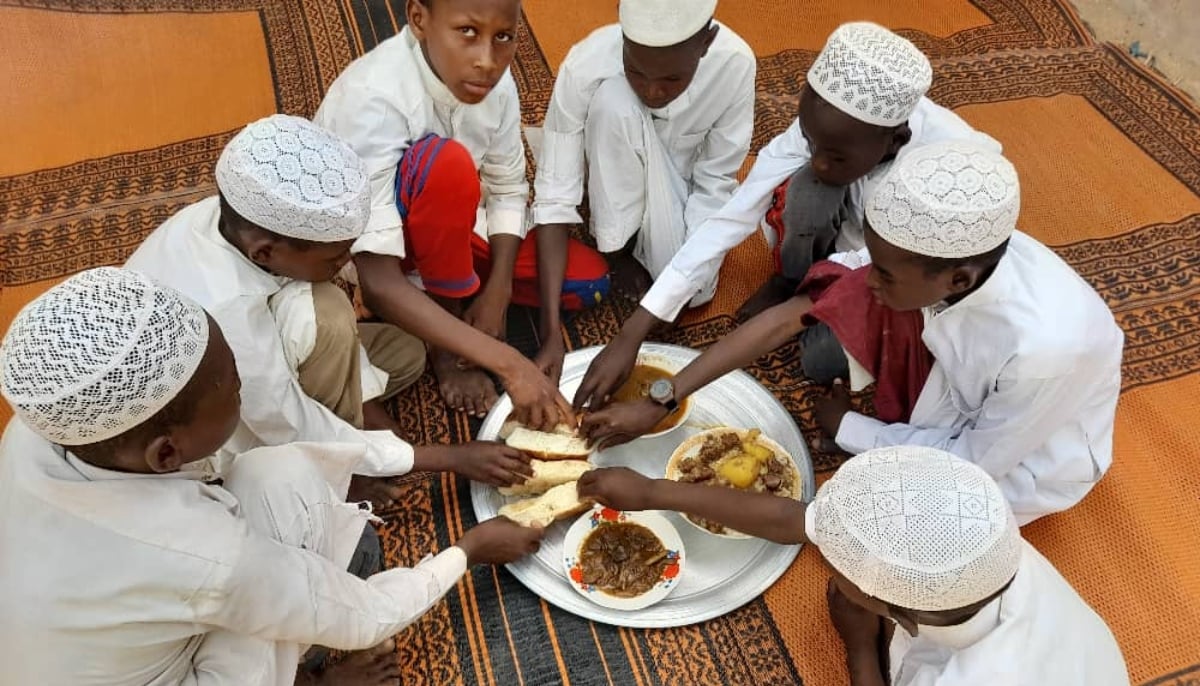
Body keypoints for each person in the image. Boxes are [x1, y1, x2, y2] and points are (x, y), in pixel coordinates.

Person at [0, 267, 545, 685]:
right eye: (234, 387)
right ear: (167, 455)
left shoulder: (39, 431)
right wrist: (469, 549)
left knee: (276, 473)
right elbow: (365, 617)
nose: (243, 386)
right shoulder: (205, 555)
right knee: (271, 613)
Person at [582, 142, 1123, 523]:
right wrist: (665, 395)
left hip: (1017, 464)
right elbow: (794, 314)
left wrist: (850, 431)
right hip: (946, 383)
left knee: (877, 530)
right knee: (830, 327)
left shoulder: (1047, 347)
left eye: (883, 275)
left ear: (957, 279)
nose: (871, 281)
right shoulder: (937, 255)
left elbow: (970, 467)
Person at [574, 21, 1000, 410]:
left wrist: (814, 308)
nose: (817, 159)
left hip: (900, 278)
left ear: (895, 142)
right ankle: (791, 279)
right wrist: (634, 330)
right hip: (851, 245)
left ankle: (807, 298)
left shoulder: (950, 170)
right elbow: (732, 218)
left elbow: (919, 276)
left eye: (834, 156)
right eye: (810, 142)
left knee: (817, 360)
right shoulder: (825, 133)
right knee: (809, 192)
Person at [127, 115, 534, 507]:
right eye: (336, 257)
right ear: (266, 252)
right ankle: (338, 474)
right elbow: (283, 420)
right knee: (328, 314)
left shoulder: (241, 221)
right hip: (215, 428)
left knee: (406, 352)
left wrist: (368, 413)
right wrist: (443, 457)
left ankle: (353, 424)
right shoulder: (225, 310)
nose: (347, 264)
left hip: (265, 365)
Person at [577, 446, 1130, 685]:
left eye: (836, 563)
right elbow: (796, 520)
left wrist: (859, 649)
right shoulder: (975, 545)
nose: (823, 563)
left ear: (879, 601)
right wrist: (653, 492)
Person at [313, 0, 606, 411]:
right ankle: (442, 346)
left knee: (587, 283)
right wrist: (510, 365)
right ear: (419, 19)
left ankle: (448, 298)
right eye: (467, 32)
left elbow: (507, 187)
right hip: (375, 250)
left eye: (503, 37)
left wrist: (498, 292)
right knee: (447, 166)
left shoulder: (495, 86)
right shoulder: (374, 98)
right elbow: (376, 277)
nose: (487, 61)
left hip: (455, 228)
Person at [530, 0, 755, 298]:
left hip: (680, 187)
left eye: (671, 78)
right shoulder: (586, 65)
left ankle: (650, 248)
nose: (651, 91)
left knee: (694, 294)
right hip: (610, 170)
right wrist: (550, 329)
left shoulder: (734, 65)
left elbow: (715, 180)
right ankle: (617, 248)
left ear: (706, 43)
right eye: (636, 72)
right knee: (614, 102)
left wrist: (683, 278)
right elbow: (555, 192)